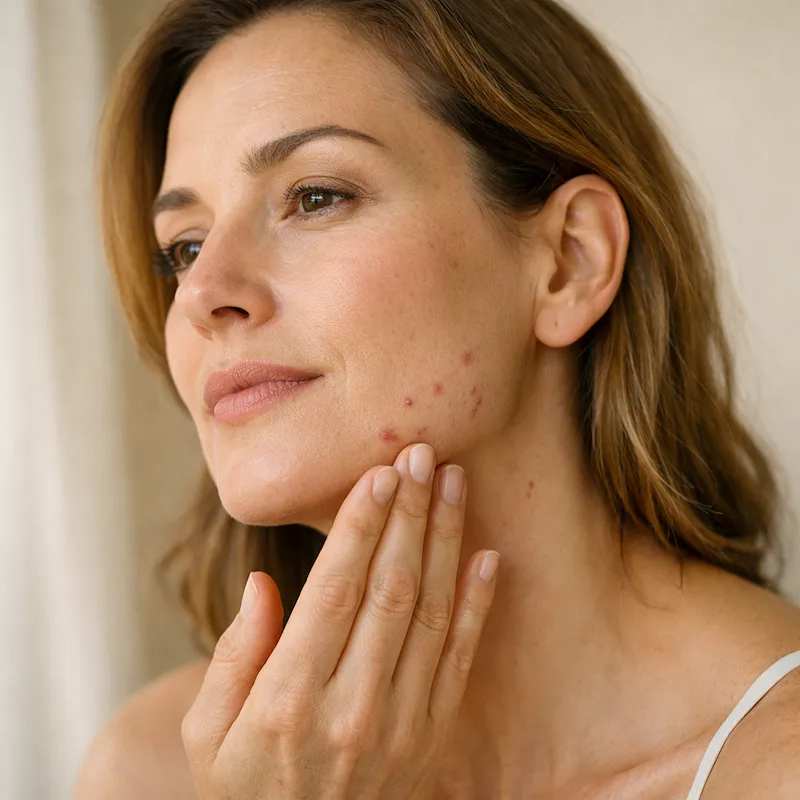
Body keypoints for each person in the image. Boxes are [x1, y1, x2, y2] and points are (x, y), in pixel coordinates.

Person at [76, 0, 800, 797]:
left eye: (314, 196)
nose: (203, 292)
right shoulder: (151, 771)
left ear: (569, 261)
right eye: (183, 247)